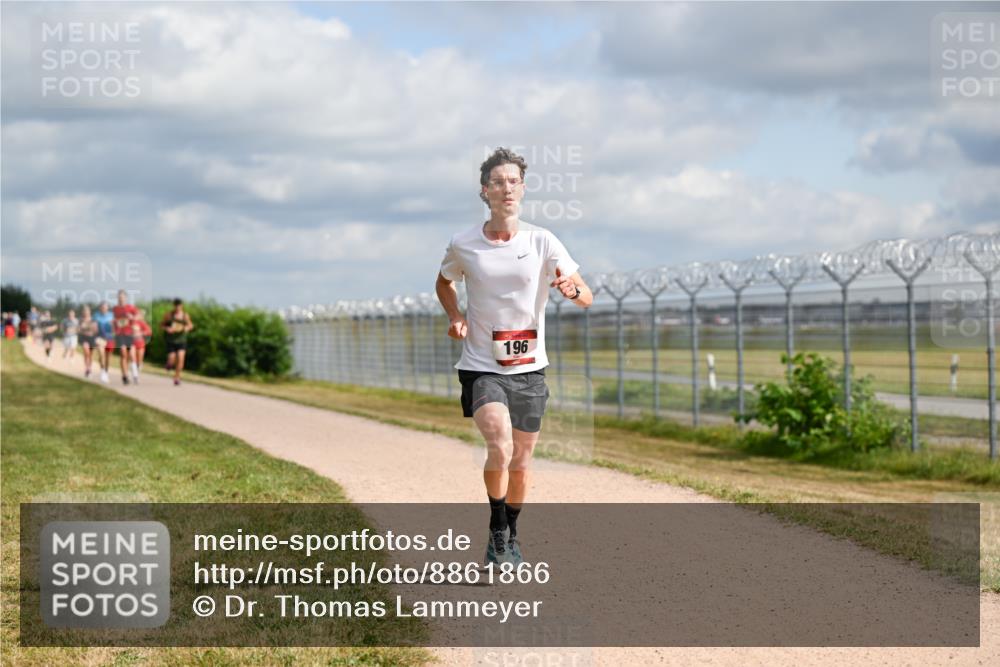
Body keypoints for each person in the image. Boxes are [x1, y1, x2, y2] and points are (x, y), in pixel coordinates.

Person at [435, 147, 592, 566]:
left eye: (514, 181)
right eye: (499, 182)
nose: (507, 188)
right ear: (485, 191)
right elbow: (444, 282)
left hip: (529, 369)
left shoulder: (542, 240)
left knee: (521, 460)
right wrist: (456, 315)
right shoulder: (464, 243)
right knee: (499, 445)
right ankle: (496, 529)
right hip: (482, 366)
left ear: (522, 189)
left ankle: (512, 533)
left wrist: (571, 291)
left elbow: (586, 295)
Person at [161, 298, 193, 386]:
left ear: (182, 306)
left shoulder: (185, 316)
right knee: (172, 358)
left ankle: (177, 377)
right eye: (176, 305)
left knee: (181, 358)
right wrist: (167, 329)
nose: (177, 307)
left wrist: (187, 328)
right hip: (171, 340)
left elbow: (190, 325)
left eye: (179, 305)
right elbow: (162, 325)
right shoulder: (169, 315)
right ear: (174, 306)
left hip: (181, 340)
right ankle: (169, 364)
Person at [111, 290, 139, 385]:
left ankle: (135, 374)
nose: (121, 299)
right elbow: (112, 320)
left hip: (129, 333)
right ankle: (125, 376)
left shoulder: (131, 307)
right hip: (119, 334)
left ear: (126, 298)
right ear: (117, 298)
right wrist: (113, 323)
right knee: (123, 354)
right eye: (119, 297)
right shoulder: (115, 309)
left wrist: (132, 317)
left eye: (123, 297)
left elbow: (139, 316)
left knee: (131, 355)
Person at [93, 301, 114, 383]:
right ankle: (102, 372)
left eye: (105, 307)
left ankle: (106, 372)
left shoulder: (112, 315)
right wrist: (94, 328)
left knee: (108, 358)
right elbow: (94, 325)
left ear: (107, 308)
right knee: (101, 354)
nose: (103, 308)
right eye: (102, 307)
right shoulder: (96, 315)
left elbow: (115, 326)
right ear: (100, 308)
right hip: (99, 338)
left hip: (110, 338)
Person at [131, 309, 153, 383]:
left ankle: (138, 369)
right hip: (131, 343)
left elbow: (149, 332)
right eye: (136, 314)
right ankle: (135, 375)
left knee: (139, 361)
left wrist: (141, 333)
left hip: (140, 343)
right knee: (133, 358)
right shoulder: (130, 322)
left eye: (139, 315)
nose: (137, 316)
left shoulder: (142, 323)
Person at [78, 305, 100, 378]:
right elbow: (78, 329)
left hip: (92, 338)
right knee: (86, 351)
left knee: (90, 355)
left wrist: (90, 328)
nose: (86, 312)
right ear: (83, 312)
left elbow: (96, 330)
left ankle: (89, 368)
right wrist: (82, 328)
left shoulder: (93, 320)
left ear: (89, 312)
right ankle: (87, 368)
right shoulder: (80, 320)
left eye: (87, 311)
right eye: (84, 311)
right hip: (84, 338)